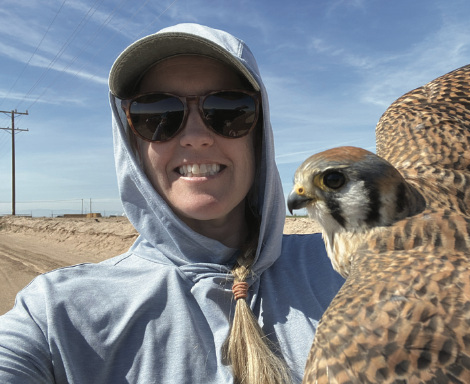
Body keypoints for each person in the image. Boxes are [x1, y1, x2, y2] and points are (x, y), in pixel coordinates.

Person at [0, 23, 344, 383]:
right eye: (157, 114)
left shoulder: (355, 269)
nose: (196, 137)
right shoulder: (57, 316)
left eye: (229, 110)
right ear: (132, 145)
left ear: (260, 134)